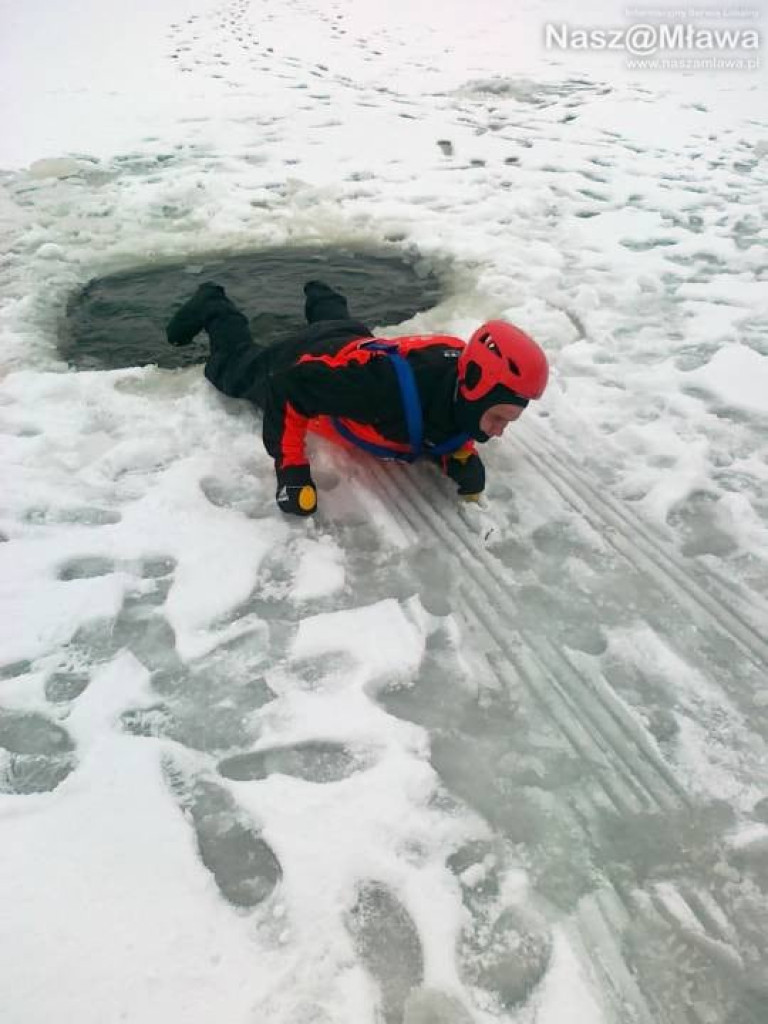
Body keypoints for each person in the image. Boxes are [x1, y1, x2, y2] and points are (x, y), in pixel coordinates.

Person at [166, 280, 549, 517]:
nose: (498, 433)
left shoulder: (461, 378)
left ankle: (322, 291)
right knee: (231, 370)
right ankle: (215, 306)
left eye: (506, 421)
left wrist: (456, 453)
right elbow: (290, 388)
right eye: (497, 418)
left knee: (340, 327)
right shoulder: (376, 392)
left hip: (350, 340)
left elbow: (444, 410)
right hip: (301, 361)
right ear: (475, 388)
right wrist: (293, 472)